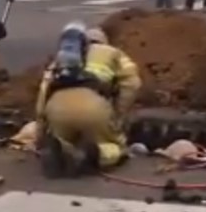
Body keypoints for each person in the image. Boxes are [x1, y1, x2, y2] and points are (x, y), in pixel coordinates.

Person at [35, 23, 142, 178]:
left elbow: (44, 91)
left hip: (56, 108)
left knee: (64, 139)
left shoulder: (61, 59)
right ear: (104, 42)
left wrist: (40, 134)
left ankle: (63, 149)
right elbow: (132, 84)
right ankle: (93, 155)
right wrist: (118, 114)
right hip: (93, 107)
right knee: (114, 146)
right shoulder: (114, 53)